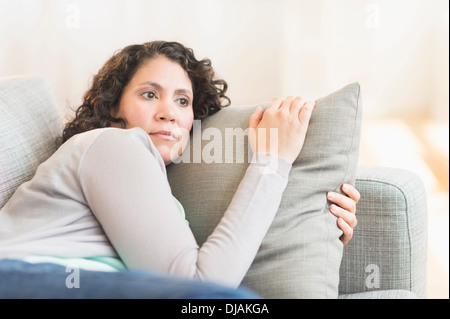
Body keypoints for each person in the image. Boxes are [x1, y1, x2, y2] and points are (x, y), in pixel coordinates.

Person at [0, 41, 360, 298]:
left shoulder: (150, 188)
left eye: (182, 101)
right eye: (149, 94)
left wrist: (313, 221)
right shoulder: (111, 144)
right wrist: (273, 160)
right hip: (26, 277)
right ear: (114, 110)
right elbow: (201, 286)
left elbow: (205, 269)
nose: (169, 112)